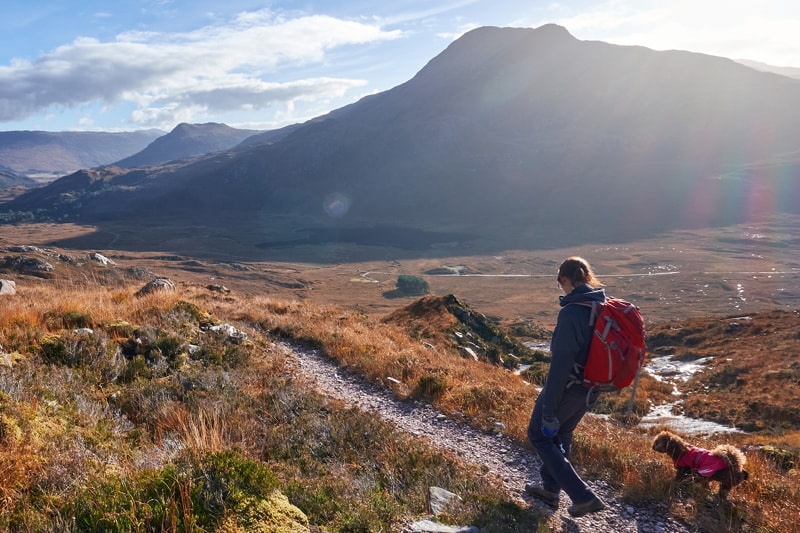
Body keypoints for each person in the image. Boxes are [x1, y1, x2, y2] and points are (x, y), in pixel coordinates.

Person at [525, 256, 607, 517]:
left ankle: (582, 496)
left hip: (569, 387)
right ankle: (550, 490)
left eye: (560, 284)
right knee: (561, 435)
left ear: (564, 279)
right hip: (591, 389)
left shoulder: (572, 312)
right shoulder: (601, 305)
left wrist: (549, 407)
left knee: (539, 433)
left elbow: (561, 364)